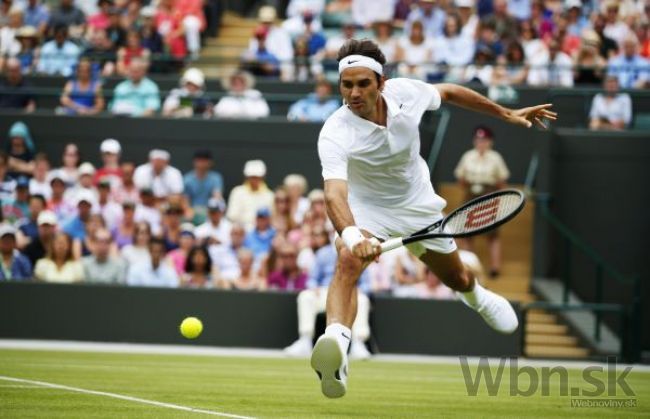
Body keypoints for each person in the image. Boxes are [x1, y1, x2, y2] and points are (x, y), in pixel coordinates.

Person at [310, 38, 556, 398]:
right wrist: (352, 237)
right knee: (347, 259)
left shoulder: (407, 94)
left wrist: (505, 113)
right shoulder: (334, 131)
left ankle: (475, 296)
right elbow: (334, 195)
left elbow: (451, 92)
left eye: (364, 83)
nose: (355, 93)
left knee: (456, 277)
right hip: (366, 208)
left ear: (382, 82)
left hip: (418, 205)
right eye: (347, 85)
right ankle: (336, 345)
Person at [284, 227, 371, 359]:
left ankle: (359, 344)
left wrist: (360, 289)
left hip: (350, 291)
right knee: (306, 296)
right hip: (325, 291)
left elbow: (366, 284)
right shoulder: (323, 253)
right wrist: (314, 287)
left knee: (363, 299)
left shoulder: (358, 252)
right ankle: (305, 341)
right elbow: (312, 279)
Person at [454, 126, 509, 277]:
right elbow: (460, 177)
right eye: (478, 140)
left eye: (484, 140)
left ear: (490, 142)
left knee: (492, 234)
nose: (481, 143)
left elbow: (502, 181)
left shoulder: (496, 158)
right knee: (466, 232)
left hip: (489, 195)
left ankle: (495, 267)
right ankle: (468, 265)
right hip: (470, 194)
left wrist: (497, 200)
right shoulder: (468, 156)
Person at [226, 160, 274, 228]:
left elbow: (271, 218)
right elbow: (232, 216)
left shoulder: (270, 195)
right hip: (240, 231)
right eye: (252, 177)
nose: (254, 180)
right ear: (247, 177)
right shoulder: (237, 192)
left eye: (257, 177)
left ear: (263, 177)